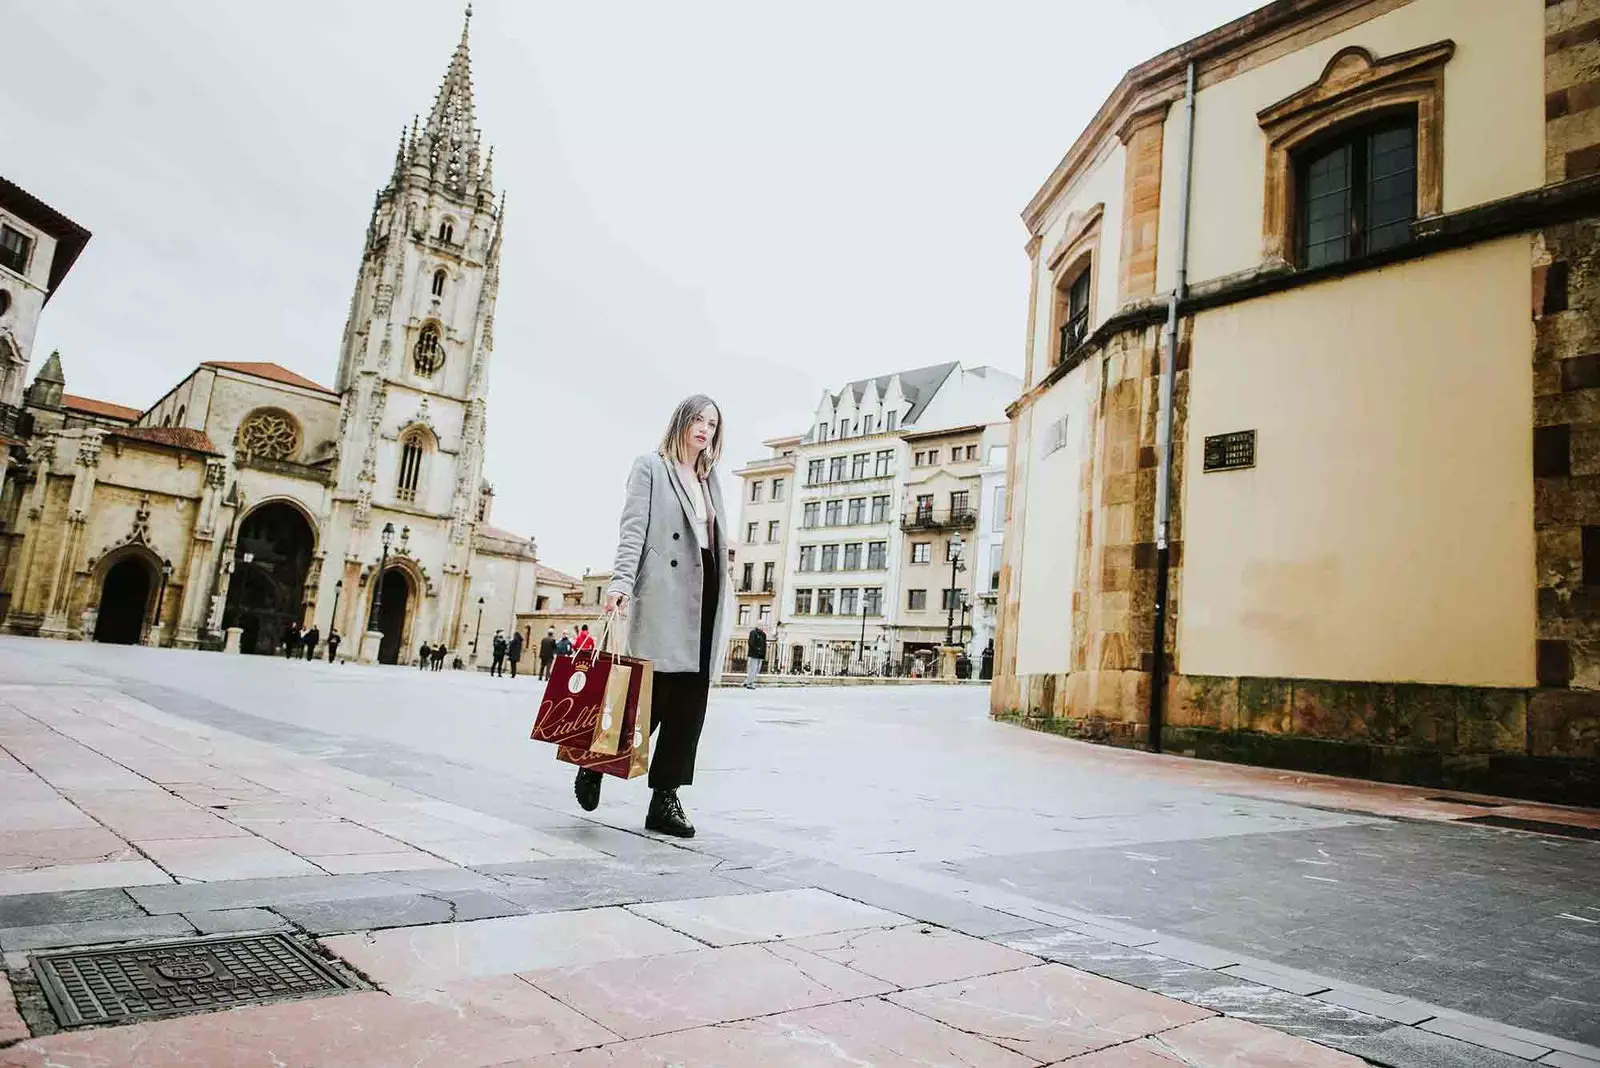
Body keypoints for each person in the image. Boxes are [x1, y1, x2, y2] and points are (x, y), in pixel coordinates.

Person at [575, 394, 728, 839]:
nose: (704, 429)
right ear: (681, 421)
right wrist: (620, 583)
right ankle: (595, 761)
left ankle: (665, 798)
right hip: (665, 591)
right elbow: (633, 528)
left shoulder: (709, 477)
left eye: (713, 424)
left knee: (690, 701)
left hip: (706, 589)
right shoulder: (651, 466)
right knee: (649, 696)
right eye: (698, 419)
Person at [744, 625, 766, 689]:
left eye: (763, 625)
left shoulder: (763, 634)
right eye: (761, 625)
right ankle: (750, 683)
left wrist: (763, 653)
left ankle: (747, 682)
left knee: (757, 669)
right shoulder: (753, 632)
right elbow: (751, 643)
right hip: (754, 654)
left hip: (760, 655)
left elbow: (764, 644)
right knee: (752, 669)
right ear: (758, 626)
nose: (762, 627)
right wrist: (757, 649)